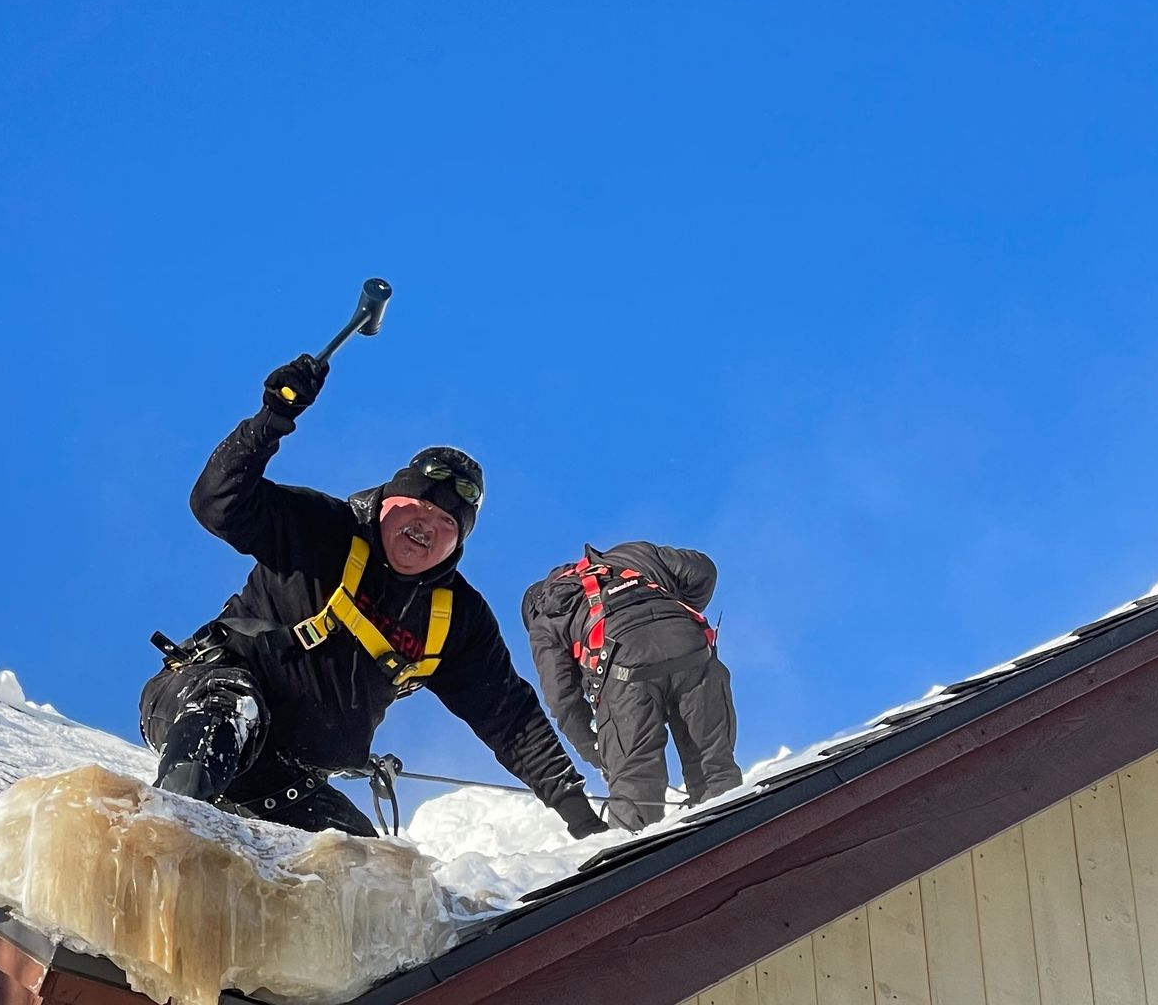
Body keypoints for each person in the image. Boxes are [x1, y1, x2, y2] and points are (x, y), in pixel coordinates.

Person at [142, 352, 606, 840]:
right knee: (232, 708)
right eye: (419, 507)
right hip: (204, 702)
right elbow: (218, 504)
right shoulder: (321, 529)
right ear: (388, 501)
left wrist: (581, 818)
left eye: (446, 523)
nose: (427, 526)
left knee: (364, 859)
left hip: (285, 775)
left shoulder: (456, 619)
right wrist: (271, 420)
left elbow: (511, 721)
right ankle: (164, 834)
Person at [522, 542, 739, 832]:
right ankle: (738, 842)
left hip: (624, 675)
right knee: (715, 771)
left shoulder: (544, 613)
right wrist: (674, 615)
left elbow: (563, 700)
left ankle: (643, 856)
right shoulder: (632, 554)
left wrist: (598, 752)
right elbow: (702, 570)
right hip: (694, 652)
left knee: (636, 790)